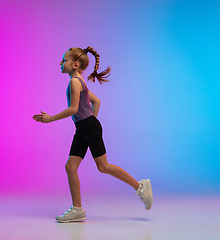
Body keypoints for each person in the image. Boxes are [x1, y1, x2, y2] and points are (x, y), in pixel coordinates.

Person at [33, 46, 153, 223]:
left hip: (87, 127)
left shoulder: (75, 81)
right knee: (70, 167)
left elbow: (74, 108)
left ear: (74, 64)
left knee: (103, 166)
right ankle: (77, 209)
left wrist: (51, 119)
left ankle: (141, 187)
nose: (61, 62)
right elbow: (96, 101)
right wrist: (89, 120)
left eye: (64, 60)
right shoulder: (79, 81)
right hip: (84, 128)